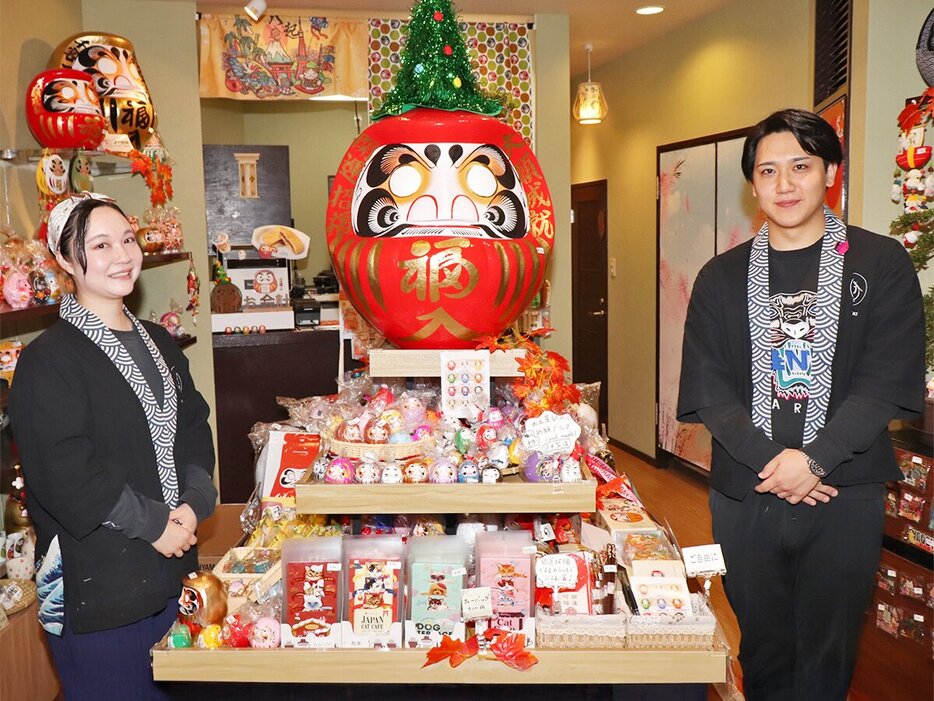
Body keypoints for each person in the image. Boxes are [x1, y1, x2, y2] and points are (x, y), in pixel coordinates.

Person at [677, 109, 925, 701]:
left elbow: (885, 380)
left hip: (846, 489)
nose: (784, 184)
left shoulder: (881, 263)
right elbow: (709, 385)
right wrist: (775, 460)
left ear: (830, 173)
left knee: (828, 650)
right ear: (753, 184)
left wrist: (813, 459)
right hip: (747, 490)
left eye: (801, 167)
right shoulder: (721, 277)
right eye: (768, 170)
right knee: (762, 646)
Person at [8, 193, 217, 700]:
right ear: (64, 259)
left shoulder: (158, 340)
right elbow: (65, 471)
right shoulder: (48, 361)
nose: (123, 255)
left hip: (174, 573)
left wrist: (192, 505)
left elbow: (193, 424)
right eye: (100, 245)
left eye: (127, 239)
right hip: (99, 591)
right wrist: (154, 526)